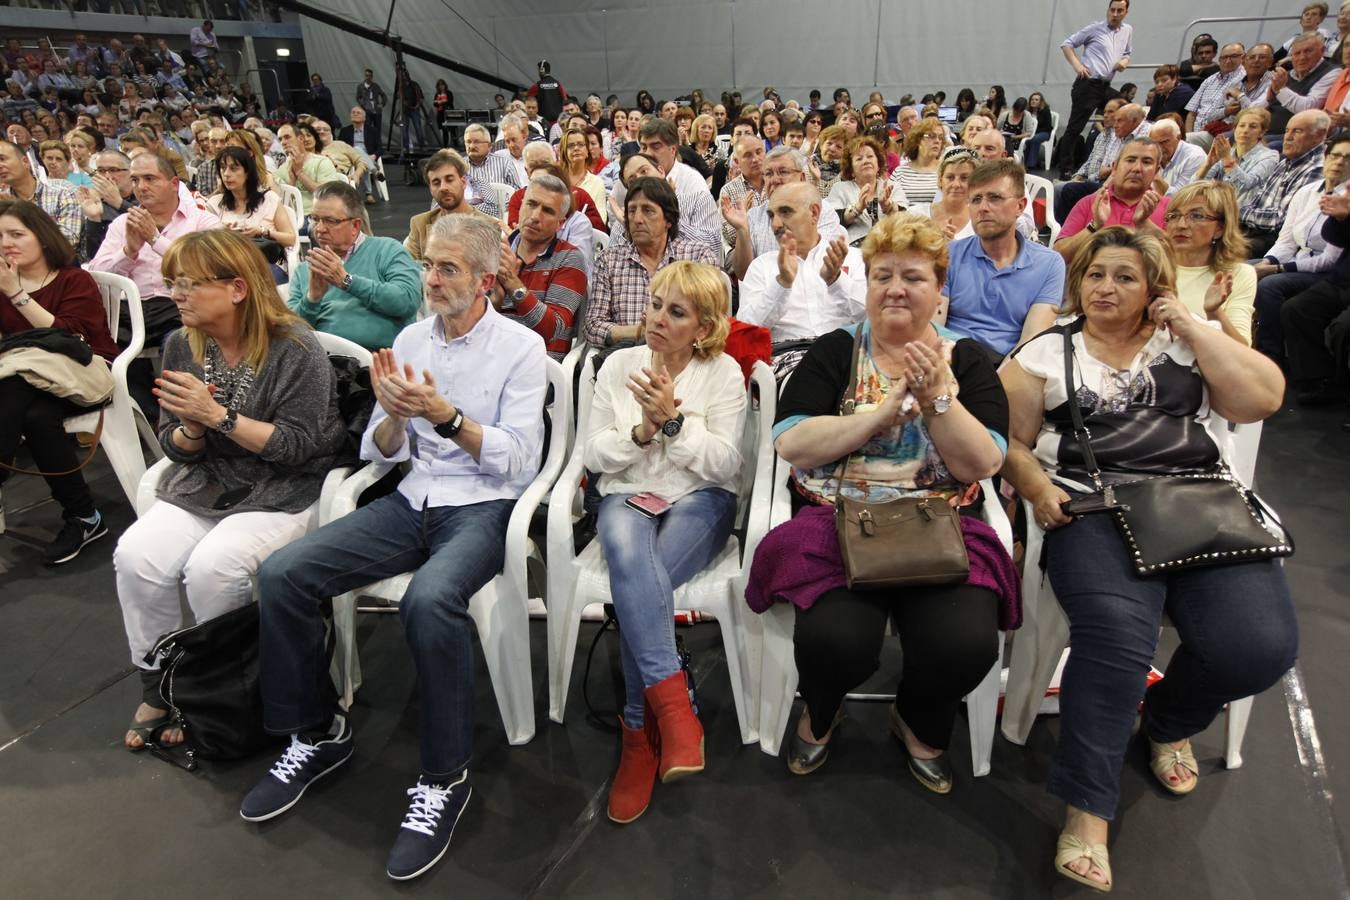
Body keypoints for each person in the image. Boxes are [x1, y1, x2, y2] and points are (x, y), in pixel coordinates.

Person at [242, 213, 547, 881]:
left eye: (447, 269)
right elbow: (379, 450)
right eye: (429, 264)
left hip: (483, 509)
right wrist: (397, 420)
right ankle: (315, 733)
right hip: (413, 501)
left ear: (485, 280)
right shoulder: (412, 338)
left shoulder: (522, 349)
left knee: (430, 603)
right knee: (284, 575)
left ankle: (444, 778)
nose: (431, 279)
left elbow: (520, 464)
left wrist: (445, 417)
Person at [998, 225, 1296, 893]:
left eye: (1126, 277)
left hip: (1198, 505)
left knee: (1259, 645)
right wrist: (1040, 487)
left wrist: (1194, 326)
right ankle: (1088, 808)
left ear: (1153, 287)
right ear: (1080, 284)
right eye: (1097, 275)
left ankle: (1168, 724)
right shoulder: (1043, 354)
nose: (1107, 287)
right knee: (1115, 639)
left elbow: (1261, 398)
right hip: (1094, 508)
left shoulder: (1185, 346)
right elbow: (1011, 445)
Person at [766, 214, 1010, 791]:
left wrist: (937, 402)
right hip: (837, 518)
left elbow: (983, 465)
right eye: (882, 275)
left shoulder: (968, 359)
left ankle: (918, 719)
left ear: (938, 289)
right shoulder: (834, 351)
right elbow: (791, 444)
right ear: (866, 283)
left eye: (913, 277)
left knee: (965, 644)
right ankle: (822, 711)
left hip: (941, 521)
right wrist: (879, 417)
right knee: (835, 641)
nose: (896, 288)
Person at [115, 228, 345, 751]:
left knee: (214, 568)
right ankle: (162, 686)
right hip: (209, 480)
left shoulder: (295, 348)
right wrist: (193, 429)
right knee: (136, 555)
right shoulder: (181, 344)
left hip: (284, 485)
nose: (176, 294)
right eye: (173, 283)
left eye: (190, 284)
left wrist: (216, 416)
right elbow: (177, 444)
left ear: (237, 288)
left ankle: (224, 693)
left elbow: (298, 447)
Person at [582, 259, 745, 822]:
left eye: (675, 312)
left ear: (702, 327)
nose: (655, 318)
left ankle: (640, 732)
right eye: (654, 303)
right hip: (627, 493)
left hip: (701, 500)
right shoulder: (619, 365)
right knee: (632, 560)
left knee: (635, 587)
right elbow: (593, 455)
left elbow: (727, 467)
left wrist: (675, 424)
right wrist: (641, 431)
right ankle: (667, 715)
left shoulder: (722, 373)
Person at [0, 200, 118, 564]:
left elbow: (70, 338)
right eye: (0, 236)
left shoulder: (74, 279)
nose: (6, 243)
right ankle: (83, 516)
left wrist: (16, 293)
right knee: (33, 412)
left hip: (79, 373)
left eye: (17, 234)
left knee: (15, 383)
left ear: (43, 237)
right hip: (27, 380)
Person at [89, 153, 222, 415]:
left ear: (174, 184)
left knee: (181, 341)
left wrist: (155, 239)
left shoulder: (201, 221)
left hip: (179, 308)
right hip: (131, 309)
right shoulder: (122, 224)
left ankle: (186, 417)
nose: (141, 187)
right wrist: (128, 250)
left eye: (150, 179)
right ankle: (141, 413)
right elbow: (97, 275)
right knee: (97, 341)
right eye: (136, 179)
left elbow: (209, 268)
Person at [943, 159, 1066, 359]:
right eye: (976, 199)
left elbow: (1030, 342)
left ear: (1020, 206)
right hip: (951, 358)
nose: (983, 207)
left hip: (1010, 364)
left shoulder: (1049, 265)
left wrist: (994, 384)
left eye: (995, 198)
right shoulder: (948, 254)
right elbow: (933, 327)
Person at [584, 177, 720, 347]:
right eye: (632, 211)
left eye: (648, 211)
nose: (637, 219)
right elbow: (593, 326)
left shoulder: (698, 257)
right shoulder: (609, 260)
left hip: (685, 355)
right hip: (627, 355)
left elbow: (711, 319)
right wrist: (640, 331)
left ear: (668, 219)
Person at [1251, 135, 1350, 360]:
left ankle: (1270, 357)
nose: (1339, 162)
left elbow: (1329, 260)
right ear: (1325, 158)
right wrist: (1267, 262)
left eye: (1348, 158)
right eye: (1335, 155)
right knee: (1241, 270)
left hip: (1325, 272)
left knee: (1270, 285)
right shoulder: (1307, 191)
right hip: (1295, 260)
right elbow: (1286, 240)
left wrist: (1277, 269)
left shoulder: (1347, 199)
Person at [739, 181, 865, 345]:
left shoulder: (853, 259)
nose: (776, 224)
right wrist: (782, 284)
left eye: (785, 212)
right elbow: (746, 332)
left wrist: (837, 281)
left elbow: (875, 319)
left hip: (846, 356)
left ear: (814, 213)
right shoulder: (761, 266)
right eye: (771, 215)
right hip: (787, 358)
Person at [494, 174, 588, 360]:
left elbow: (552, 330)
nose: (535, 216)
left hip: (538, 364)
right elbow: (470, 319)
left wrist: (513, 284)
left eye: (547, 211)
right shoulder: (495, 249)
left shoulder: (569, 258)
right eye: (531, 204)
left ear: (560, 224)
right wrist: (493, 302)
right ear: (520, 206)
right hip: (489, 353)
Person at [723, 145, 847, 280]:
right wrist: (742, 230)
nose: (775, 180)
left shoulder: (821, 210)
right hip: (767, 295)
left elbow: (822, 264)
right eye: (769, 174)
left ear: (802, 178)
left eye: (783, 172)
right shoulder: (753, 216)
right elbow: (744, 274)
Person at [1162, 181, 1257, 346]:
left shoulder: (1238, 274)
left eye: (1196, 216)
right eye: (1174, 216)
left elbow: (1242, 351)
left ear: (1219, 229)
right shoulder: (1153, 266)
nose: (1181, 225)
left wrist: (1214, 313)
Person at [1054, 137, 1169, 264]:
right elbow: (1059, 256)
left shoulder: (1169, 208)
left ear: (1156, 171)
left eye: (1147, 162)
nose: (1137, 168)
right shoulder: (1091, 203)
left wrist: (1144, 224)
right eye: (1130, 160)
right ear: (1114, 168)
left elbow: (1183, 257)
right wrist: (1094, 226)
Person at [1056, 0, 1134, 177]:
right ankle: (1066, 169)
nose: (1115, 14)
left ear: (1125, 12)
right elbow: (1067, 44)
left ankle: (1119, 157)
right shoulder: (1095, 28)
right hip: (1088, 84)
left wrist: (1124, 62)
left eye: (1119, 10)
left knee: (1127, 109)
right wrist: (1077, 66)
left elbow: (1127, 52)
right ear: (1108, 10)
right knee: (1075, 127)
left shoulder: (1127, 30)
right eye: (1112, 10)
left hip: (1105, 86)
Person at [1238, 108, 1328, 257]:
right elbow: (1257, 201)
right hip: (1253, 228)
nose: (1288, 137)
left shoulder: (1318, 168)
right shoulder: (1284, 162)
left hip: (1278, 240)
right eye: (1287, 131)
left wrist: (1237, 212)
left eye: (1297, 131)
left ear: (1319, 135)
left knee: (1220, 249)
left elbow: (1280, 220)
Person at [207, 146, 297, 279]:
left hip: (265, 263)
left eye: (233, 168)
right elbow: (206, 242)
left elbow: (290, 239)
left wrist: (262, 231)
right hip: (229, 265)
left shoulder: (269, 199)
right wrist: (223, 232)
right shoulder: (215, 203)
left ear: (248, 172)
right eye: (222, 168)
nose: (226, 174)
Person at [638, 117, 721, 245]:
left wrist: (669, 214)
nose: (648, 154)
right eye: (644, 147)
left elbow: (711, 242)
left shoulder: (693, 183)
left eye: (655, 147)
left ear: (673, 150)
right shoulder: (634, 179)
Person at [406, 149, 494, 261]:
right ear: (430, 189)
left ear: (463, 183)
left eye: (449, 180)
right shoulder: (420, 224)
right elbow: (409, 269)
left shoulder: (489, 225)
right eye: (436, 183)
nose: (443, 187)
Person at [0, 138, 81, 248]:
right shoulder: (2, 201)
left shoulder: (62, 193)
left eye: (2, 159)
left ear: (25, 162)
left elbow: (67, 241)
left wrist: (20, 212)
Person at [1260, 31, 1341, 137]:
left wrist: (1280, 90)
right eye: (1297, 53)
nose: (1302, 57)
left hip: (1293, 136)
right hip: (1263, 131)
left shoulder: (1332, 72)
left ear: (1322, 51)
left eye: (1308, 51)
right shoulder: (1285, 75)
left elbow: (1308, 107)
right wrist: (1268, 99)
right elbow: (1257, 106)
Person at [1197, 107, 1280, 210]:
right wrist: (1207, 165)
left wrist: (1226, 158)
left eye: (1252, 127)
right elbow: (1195, 186)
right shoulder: (1228, 152)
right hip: (1215, 209)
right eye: (1241, 125)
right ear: (1235, 129)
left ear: (1262, 133)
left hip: (1241, 215)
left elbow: (1243, 186)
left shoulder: (1270, 156)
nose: (1245, 130)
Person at [827, 135, 901, 246]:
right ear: (851, 170)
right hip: (854, 248)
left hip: (890, 245)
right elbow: (833, 221)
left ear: (878, 164)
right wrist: (857, 209)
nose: (866, 161)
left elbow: (904, 218)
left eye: (870, 156)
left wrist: (887, 206)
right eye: (859, 158)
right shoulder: (840, 188)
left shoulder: (893, 186)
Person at [1183, 42, 1248, 146]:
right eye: (1224, 57)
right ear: (1219, 59)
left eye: (1233, 56)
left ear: (1243, 57)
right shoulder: (1210, 80)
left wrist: (1189, 140)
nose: (1228, 61)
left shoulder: (1244, 79)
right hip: (1196, 134)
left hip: (1218, 134)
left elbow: (1230, 112)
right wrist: (1189, 134)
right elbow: (1191, 113)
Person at [274, 123, 340, 220]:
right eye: (280, 139)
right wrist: (292, 180)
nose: (283, 142)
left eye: (287, 137)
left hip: (317, 216)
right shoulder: (281, 169)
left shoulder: (321, 162)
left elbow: (327, 194)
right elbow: (283, 200)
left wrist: (300, 173)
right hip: (292, 217)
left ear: (300, 139)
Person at [911, 147, 979, 240]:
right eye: (950, 177)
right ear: (940, 180)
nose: (956, 184)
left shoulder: (980, 219)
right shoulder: (915, 214)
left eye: (964, 178)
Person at [891, 117, 944, 205]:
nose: (937, 141)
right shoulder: (900, 172)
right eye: (931, 136)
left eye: (940, 137)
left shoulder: (946, 171)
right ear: (918, 140)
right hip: (906, 217)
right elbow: (889, 202)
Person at [558, 128, 606, 225]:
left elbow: (601, 219)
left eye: (581, 144)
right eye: (571, 145)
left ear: (587, 151)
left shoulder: (597, 183)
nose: (576, 148)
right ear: (564, 151)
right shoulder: (556, 179)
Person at [1148, 119, 1207, 195]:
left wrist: (1156, 178)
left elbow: (1181, 197)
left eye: (1164, 142)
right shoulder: (1149, 151)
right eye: (1155, 143)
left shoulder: (1195, 157)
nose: (1159, 148)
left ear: (1178, 138)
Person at [527, 60, 567, 124]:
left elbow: (528, 99)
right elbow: (565, 99)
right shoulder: (558, 84)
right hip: (557, 122)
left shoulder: (537, 86)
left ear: (542, 70)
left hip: (543, 122)